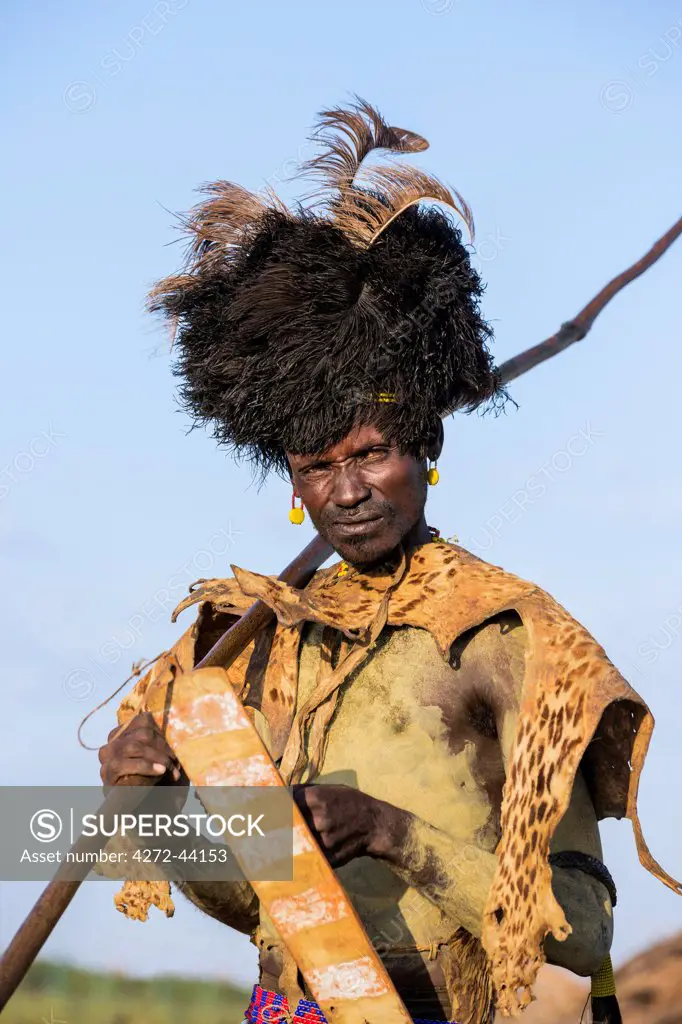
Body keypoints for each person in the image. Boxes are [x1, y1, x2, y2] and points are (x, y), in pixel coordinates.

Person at [97, 99, 678, 1024]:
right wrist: (150, 809)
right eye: (317, 468)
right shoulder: (268, 647)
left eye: (369, 454)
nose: (346, 491)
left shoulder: (502, 633)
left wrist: (393, 833)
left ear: (424, 447)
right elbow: (258, 908)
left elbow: (583, 933)